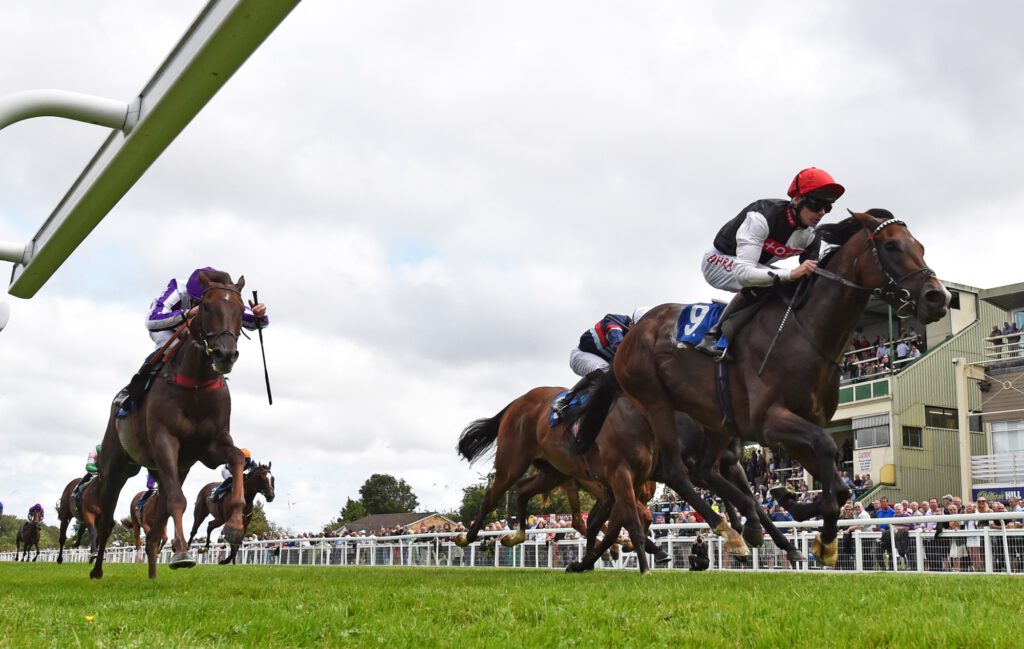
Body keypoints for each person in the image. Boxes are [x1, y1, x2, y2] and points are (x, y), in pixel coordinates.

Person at [695, 167, 844, 359]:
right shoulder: (762, 216)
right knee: (774, 281)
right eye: (817, 205)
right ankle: (713, 336)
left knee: (792, 286)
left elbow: (810, 281)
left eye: (828, 207)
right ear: (797, 199)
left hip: (751, 266)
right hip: (717, 261)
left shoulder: (811, 235)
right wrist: (790, 274)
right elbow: (744, 273)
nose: (822, 212)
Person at [123, 267, 269, 410]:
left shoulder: (222, 295)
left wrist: (259, 315)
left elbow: (257, 321)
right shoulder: (177, 289)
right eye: (197, 302)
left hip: (200, 331)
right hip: (167, 328)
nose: (200, 307)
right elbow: (151, 321)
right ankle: (133, 393)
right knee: (172, 348)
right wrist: (187, 314)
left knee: (211, 350)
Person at [553, 311, 638, 419]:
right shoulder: (614, 324)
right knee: (604, 371)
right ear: (631, 324)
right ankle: (565, 399)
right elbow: (618, 345)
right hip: (581, 355)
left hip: (600, 359)